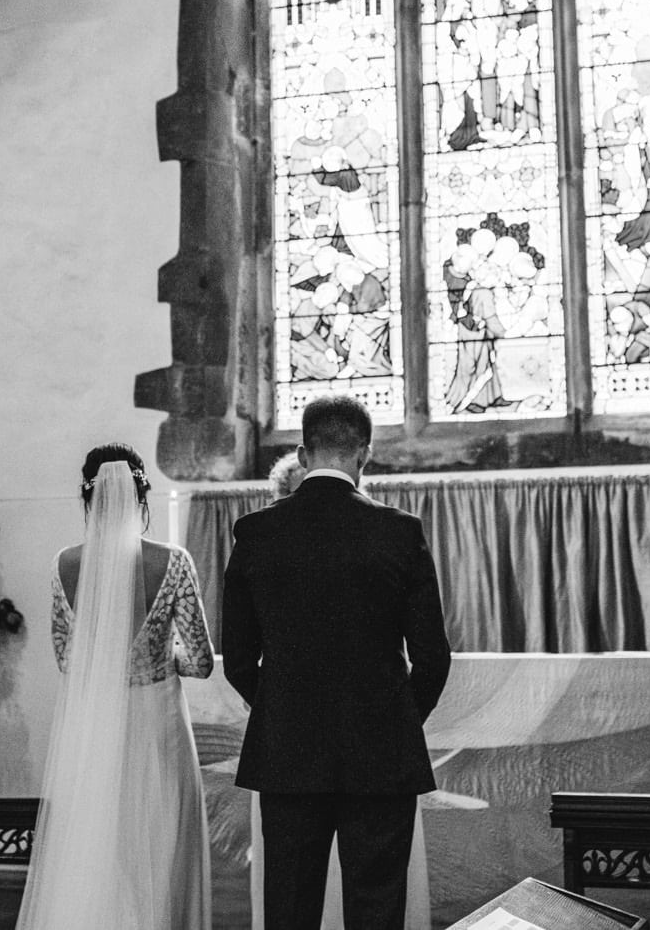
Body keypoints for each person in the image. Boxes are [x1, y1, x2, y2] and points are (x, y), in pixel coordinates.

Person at [222, 395, 451, 930]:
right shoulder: (400, 531)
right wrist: (390, 723)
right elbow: (434, 660)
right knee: (376, 907)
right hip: (379, 757)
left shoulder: (255, 533)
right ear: (364, 455)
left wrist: (286, 713)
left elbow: (236, 661)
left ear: (303, 454)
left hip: (288, 755)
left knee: (290, 907)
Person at [16, 443, 214, 930]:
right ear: (141, 495)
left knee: (98, 844)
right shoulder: (172, 561)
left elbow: (67, 659)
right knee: (161, 839)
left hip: (95, 727)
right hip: (158, 726)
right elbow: (203, 661)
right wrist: (161, 656)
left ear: (89, 497)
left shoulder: (64, 564)